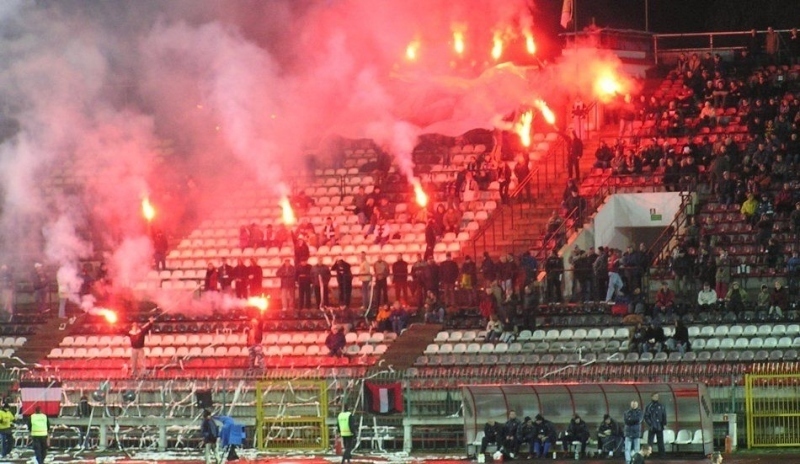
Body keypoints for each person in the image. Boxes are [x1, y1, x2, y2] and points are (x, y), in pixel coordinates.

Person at [623, 400, 643, 464]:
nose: (634, 405)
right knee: (627, 449)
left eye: (635, 404)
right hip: (628, 433)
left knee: (637, 449)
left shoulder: (640, 412)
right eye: (633, 404)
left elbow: (638, 420)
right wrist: (633, 420)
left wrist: (630, 419)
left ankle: (636, 461)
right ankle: (628, 461)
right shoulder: (626, 412)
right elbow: (626, 421)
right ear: (630, 405)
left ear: (637, 405)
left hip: (636, 433)